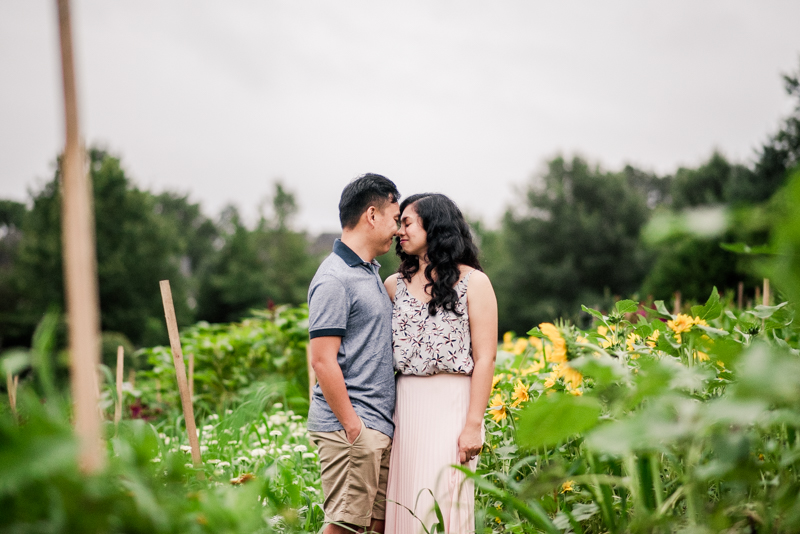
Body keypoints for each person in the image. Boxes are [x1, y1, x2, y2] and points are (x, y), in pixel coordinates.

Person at [383, 193, 497, 534]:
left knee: (445, 506)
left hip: (453, 406)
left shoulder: (474, 282)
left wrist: (473, 424)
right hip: (406, 407)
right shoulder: (393, 285)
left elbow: (486, 356)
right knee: (406, 501)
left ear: (435, 227)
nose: (398, 231)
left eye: (407, 222)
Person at [307, 173, 401, 534]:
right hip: (352, 429)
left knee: (375, 526)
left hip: (375, 425)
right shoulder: (334, 278)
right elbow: (322, 360)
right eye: (395, 218)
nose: (397, 229)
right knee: (343, 529)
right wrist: (353, 428)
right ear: (372, 215)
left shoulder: (368, 273)